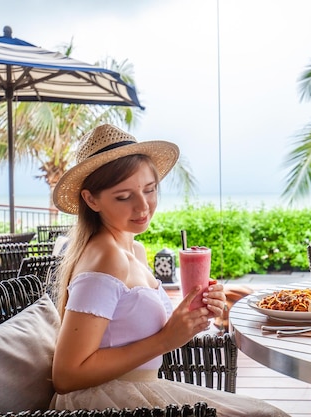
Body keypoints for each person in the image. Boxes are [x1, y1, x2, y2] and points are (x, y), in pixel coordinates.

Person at [50, 124, 289, 417]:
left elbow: (128, 325)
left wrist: (190, 316)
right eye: (124, 197)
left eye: (149, 190)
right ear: (91, 199)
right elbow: (66, 375)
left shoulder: (133, 250)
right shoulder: (107, 258)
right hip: (108, 403)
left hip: (138, 390)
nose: (143, 206)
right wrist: (165, 340)